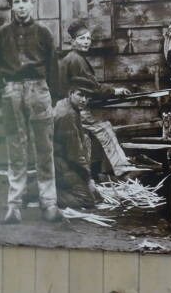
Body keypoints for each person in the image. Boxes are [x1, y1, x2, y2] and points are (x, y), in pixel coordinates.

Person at [0, 0, 60, 223]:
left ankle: (49, 203)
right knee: (16, 149)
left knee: (44, 148)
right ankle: (15, 205)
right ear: (11, 5)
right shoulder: (1, 35)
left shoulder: (44, 33)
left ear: (32, 3)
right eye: (17, 2)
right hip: (11, 93)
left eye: (25, 1)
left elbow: (53, 68)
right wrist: (0, 101)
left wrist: (53, 99)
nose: (21, 6)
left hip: (38, 91)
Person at [59, 19, 147, 178]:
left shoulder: (72, 58)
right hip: (75, 108)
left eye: (88, 38)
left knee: (87, 138)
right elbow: (92, 88)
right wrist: (115, 91)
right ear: (73, 42)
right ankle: (123, 170)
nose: (86, 42)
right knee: (104, 129)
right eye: (82, 38)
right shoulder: (76, 60)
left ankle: (90, 175)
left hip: (68, 108)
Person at [53, 77, 103, 210]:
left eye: (87, 97)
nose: (84, 100)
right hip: (60, 164)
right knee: (87, 200)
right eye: (80, 95)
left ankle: (50, 188)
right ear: (70, 93)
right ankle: (45, 195)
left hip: (63, 161)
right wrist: (88, 179)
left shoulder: (66, 105)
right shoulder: (67, 115)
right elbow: (75, 154)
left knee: (98, 197)